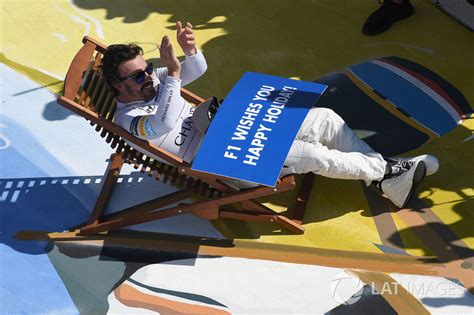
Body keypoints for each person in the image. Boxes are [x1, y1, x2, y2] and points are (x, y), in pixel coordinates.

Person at [101, 21, 439, 209]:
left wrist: (189, 51)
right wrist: (172, 74)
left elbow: (196, 69)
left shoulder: (154, 82)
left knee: (325, 119)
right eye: (137, 76)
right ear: (119, 86)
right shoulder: (128, 120)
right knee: (310, 153)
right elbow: (161, 122)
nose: (148, 77)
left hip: (236, 132)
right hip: (227, 163)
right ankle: (388, 171)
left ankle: (387, 177)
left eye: (147, 69)